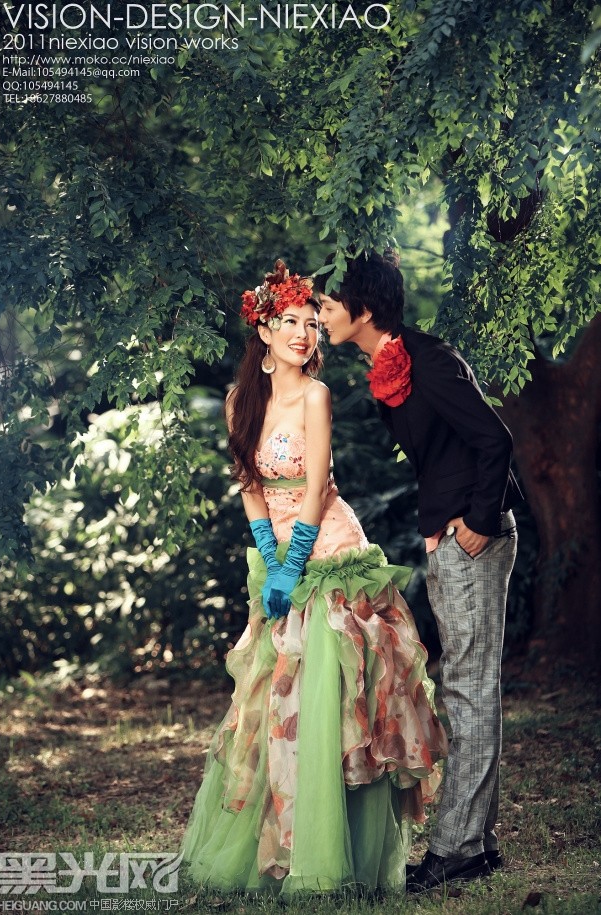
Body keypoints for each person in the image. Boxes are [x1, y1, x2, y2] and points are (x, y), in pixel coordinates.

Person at [181, 260, 448, 896]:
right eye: (290, 323)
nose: (304, 334)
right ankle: (279, 846)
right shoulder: (240, 401)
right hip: (275, 555)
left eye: (311, 323)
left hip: (326, 549)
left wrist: (294, 562)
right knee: (276, 702)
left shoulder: (315, 396)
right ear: (264, 332)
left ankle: (338, 855)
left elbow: (316, 486)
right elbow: (250, 487)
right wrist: (270, 563)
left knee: (333, 695)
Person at [316, 250, 522, 894]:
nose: (321, 314)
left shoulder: (429, 360)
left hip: (472, 538)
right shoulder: (392, 362)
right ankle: (476, 845)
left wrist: (477, 521)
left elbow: (495, 439)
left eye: (328, 303)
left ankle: (457, 850)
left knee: (467, 687)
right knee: (467, 683)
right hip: (448, 536)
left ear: (363, 310)